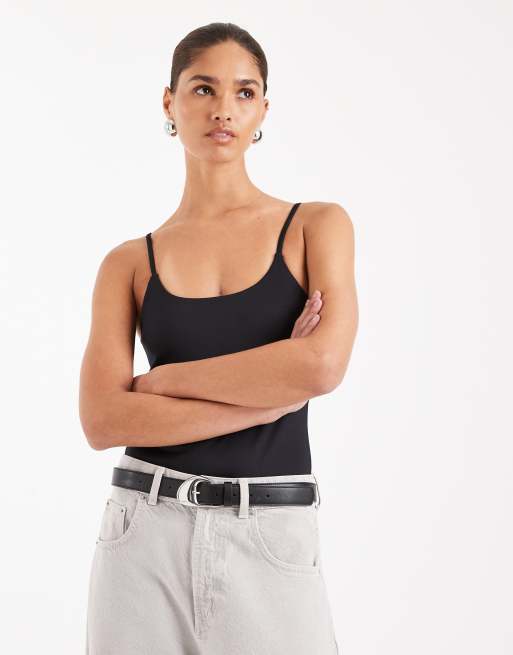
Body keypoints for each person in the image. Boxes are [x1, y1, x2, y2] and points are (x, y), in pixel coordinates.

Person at [80, 21, 358, 655]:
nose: (223, 109)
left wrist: (166, 383)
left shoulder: (315, 227)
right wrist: (270, 397)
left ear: (263, 110)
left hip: (270, 529)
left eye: (244, 92)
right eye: (203, 88)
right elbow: (102, 419)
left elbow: (320, 366)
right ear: (169, 102)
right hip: (141, 531)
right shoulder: (129, 263)